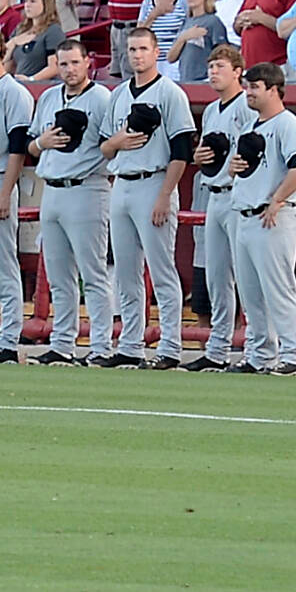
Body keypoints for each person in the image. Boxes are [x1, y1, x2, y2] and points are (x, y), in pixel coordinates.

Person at [101, 28, 195, 368]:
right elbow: (104, 146)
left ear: (156, 52)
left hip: (154, 181)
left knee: (161, 269)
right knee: (125, 271)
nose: (137, 55)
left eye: (143, 48)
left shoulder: (170, 93)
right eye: (132, 49)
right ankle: (130, 344)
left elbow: (182, 150)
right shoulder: (119, 94)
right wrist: (118, 142)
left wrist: (164, 195)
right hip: (122, 180)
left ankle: (170, 346)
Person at [28, 34, 115, 366]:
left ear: (87, 62)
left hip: (88, 186)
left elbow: (110, 144)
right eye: (62, 64)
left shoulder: (102, 98)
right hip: (53, 187)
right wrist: (43, 142)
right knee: (58, 274)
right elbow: (31, 146)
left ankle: (101, 345)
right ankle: (63, 343)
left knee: (92, 272)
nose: (68, 69)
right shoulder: (49, 98)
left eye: (74, 62)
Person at [229, 62, 296, 376]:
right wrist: (233, 168)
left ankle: (292, 356)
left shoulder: (287, 123)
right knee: (250, 293)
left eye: (254, 87)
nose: (248, 92)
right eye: (247, 86)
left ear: (274, 89)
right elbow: (238, 170)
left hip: (273, 215)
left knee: (278, 289)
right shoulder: (252, 126)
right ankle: (259, 354)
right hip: (246, 213)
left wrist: (278, 199)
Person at [183, 45, 254, 371]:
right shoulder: (211, 109)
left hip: (240, 195)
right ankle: (218, 348)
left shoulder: (248, 105)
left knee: (246, 275)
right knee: (216, 276)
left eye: (221, 66)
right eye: (211, 66)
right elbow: (206, 154)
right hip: (214, 193)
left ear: (238, 71)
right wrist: (199, 158)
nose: (214, 72)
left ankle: (255, 347)